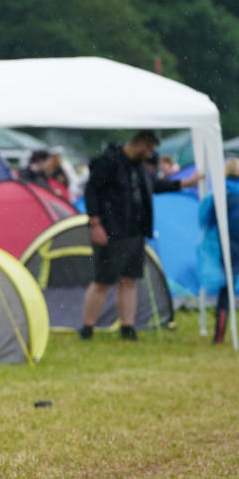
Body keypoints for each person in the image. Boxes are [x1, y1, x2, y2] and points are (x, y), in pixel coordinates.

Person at [79, 130, 202, 340]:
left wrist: (186, 183)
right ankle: (87, 327)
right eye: (149, 149)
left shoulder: (139, 167)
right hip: (111, 231)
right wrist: (95, 224)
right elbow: (91, 192)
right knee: (103, 280)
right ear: (139, 144)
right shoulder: (108, 162)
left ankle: (128, 327)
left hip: (135, 232)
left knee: (129, 280)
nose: (150, 154)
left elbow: (155, 186)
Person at [198, 157, 239, 343]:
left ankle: (219, 335)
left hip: (225, 243)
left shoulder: (217, 193)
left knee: (226, 288)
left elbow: (204, 220)